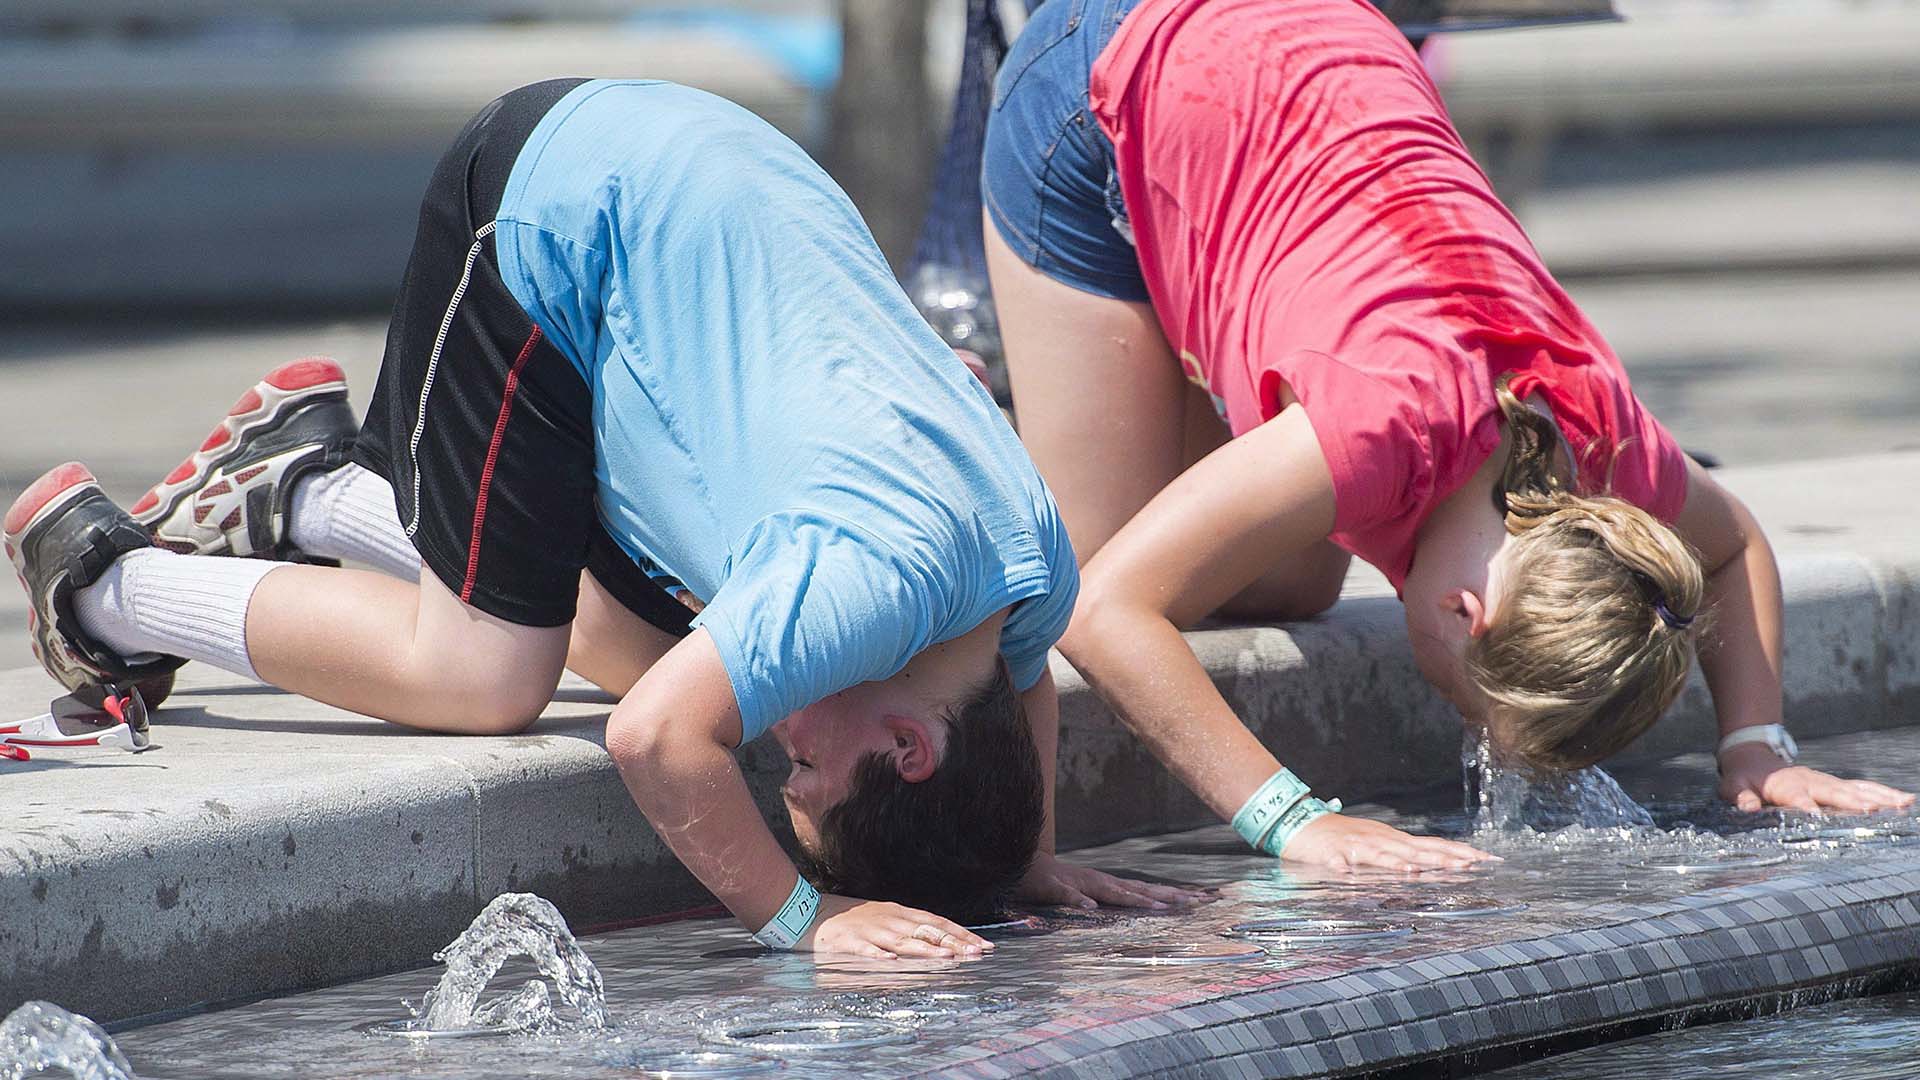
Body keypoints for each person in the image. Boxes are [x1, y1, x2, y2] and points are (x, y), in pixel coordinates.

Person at [6, 79, 1188, 959]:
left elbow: (1025, 682)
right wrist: (799, 918)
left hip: (696, 164)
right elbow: (660, 748)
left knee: (642, 660)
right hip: (545, 207)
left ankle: (312, 490)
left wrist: (1020, 857)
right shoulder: (862, 578)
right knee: (486, 680)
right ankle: (104, 581)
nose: (782, 749)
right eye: (810, 770)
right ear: (911, 745)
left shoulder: (1023, 567)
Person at [980, 0, 1913, 870]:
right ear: (1466, 615)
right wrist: (1292, 818)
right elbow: (1106, 611)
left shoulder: (1598, 443)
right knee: (1084, 562)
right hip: (1107, 66)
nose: (1473, 738)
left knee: (1295, 579)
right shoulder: (1377, 427)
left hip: (1311, 46)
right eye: (1474, 715)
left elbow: (1732, 540)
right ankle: (956, 402)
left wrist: (1757, 746)